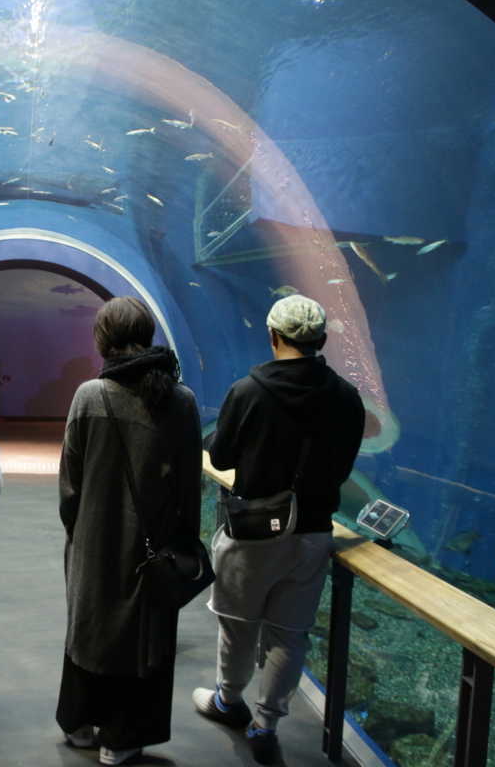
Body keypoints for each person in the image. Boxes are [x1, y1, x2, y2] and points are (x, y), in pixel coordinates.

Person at [193, 294, 365, 765]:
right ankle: (266, 725)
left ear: (273, 336)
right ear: (321, 341)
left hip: (252, 532)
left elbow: (222, 457)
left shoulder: (248, 391)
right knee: (290, 633)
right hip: (312, 534)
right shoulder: (348, 398)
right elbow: (343, 467)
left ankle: (229, 700)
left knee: (239, 625)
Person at [57, 296, 202, 766]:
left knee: (88, 630)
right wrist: (183, 544)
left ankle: (79, 725)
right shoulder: (180, 401)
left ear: (103, 340)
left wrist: (80, 534)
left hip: (93, 544)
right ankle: (120, 740)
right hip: (152, 548)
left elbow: (69, 487)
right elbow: (188, 487)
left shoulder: (88, 396)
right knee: (143, 640)